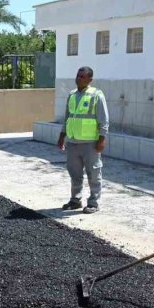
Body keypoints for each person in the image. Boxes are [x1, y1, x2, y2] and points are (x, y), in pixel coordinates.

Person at [57, 67, 108, 214]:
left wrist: (101, 139)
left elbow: (104, 120)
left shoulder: (97, 95)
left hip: (90, 143)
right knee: (75, 173)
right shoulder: (72, 95)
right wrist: (62, 136)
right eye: (78, 76)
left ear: (90, 80)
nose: (78, 79)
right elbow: (67, 118)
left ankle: (93, 202)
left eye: (82, 77)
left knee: (94, 174)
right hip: (73, 142)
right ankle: (75, 200)